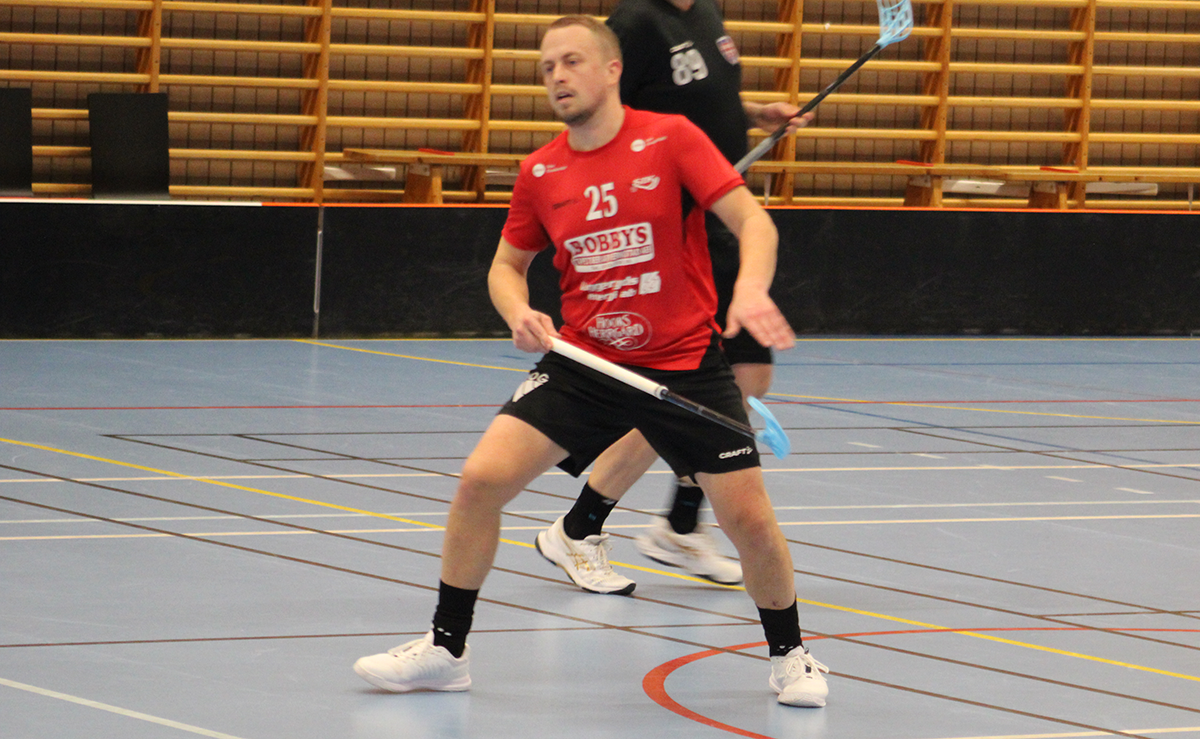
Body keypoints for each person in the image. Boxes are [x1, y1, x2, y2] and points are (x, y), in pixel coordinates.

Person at [352, 15, 829, 708]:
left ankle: (791, 656)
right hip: (586, 363)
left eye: (572, 61)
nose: (558, 76)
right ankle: (446, 650)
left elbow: (753, 221)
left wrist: (750, 289)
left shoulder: (671, 138)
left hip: (684, 363)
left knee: (750, 520)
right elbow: (506, 266)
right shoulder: (541, 171)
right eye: (548, 67)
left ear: (612, 70)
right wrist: (518, 311)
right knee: (480, 480)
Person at [535, 0, 811, 593]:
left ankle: (673, 524)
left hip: (717, 209)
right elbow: (610, 110)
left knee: (746, 377)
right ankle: (589, 527)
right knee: (675, 393)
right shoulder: (638, 22)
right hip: (673, 221)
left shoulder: (705, 13)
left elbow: (699, 94)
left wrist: (755, 113)